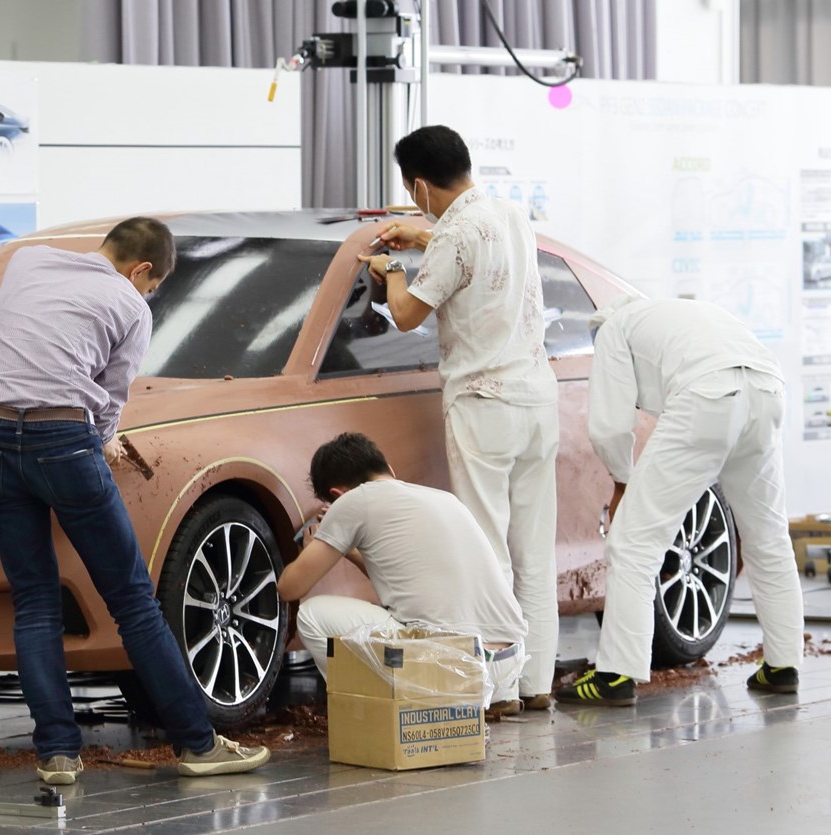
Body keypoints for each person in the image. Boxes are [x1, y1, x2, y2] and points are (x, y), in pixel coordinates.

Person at [0, 217, 271, 785]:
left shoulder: (26, 261)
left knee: (34, 603)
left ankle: (57, 754)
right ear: (141, 271)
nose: (148, 295)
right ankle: (198, 744)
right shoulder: (131, 306)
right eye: (152, 286)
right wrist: (105, 439)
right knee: (134, 602)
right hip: (63, 442)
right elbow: (110, 401)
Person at [362, 125, 560, 709]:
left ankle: (499, 691)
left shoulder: (453, 235)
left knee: (487, 548)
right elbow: (473, 247)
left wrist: (392, 269)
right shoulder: (510, 213)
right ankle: (536, 684)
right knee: (533, 552)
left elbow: (405, 315)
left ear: (419, 186)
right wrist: (423, 235)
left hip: (484, 404)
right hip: (537, 401)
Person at [555, 296, 804, 705]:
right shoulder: (679, 315)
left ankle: (616, 676)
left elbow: (609, 428)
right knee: (769, 538)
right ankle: (783, 666)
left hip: (707, 395)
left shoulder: (613, 329)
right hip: (767, 390)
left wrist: (622, 483)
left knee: (632, 543)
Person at [279, 433, 530, 715]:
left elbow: (290, 588)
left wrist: (315, 545)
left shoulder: (353, 502)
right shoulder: (444, 499)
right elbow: (397, 579)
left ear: (337, 495)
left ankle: (365, 714)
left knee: (310, 615)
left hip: (450, 665)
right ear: (389, 469)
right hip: (505, 663)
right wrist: (347, 549)